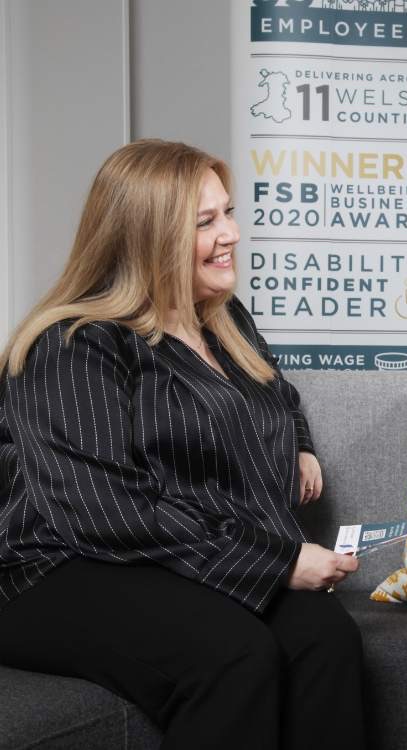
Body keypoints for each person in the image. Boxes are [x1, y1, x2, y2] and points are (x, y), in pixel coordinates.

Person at [0, 140, 364, 749]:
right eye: (206, 222)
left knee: (325, 637)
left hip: (169, 553)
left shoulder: (223, 317)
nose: (233, 233)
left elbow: (278, 390)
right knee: (231, 655)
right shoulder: (72, 344)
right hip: (59, 567)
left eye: (227, 212)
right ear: (147, 238)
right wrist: (276, 562)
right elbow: (103, 511)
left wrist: (299, 445)